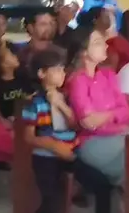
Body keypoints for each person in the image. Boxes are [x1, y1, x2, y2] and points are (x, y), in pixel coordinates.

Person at [22, 49, 112, 213]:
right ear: (42, 73)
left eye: (63, 69)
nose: (62, 74)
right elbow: (29, 137)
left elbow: (75, 125)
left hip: (70, 154)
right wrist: (54, 146)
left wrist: (60, 104)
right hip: (46, 158)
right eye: (57, 70)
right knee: (52, 202)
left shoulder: (66, 97)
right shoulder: (34, 102)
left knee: (102, 184)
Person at [67, 26, 129, 187]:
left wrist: (104, 116)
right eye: (97, 42)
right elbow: (88, 123)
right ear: (84, 52)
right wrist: (114, 116)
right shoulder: (77, 81)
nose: (105, 45)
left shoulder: (109, 75)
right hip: (93, 142)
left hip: (119, 136)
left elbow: (127, 112)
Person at [0, 44, 33, 164]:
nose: (16, 57)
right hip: (4, 120)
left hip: (23, 118)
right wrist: (3, 119)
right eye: (11, 55)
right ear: (3, 63)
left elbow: (30, 97)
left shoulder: (23, 78)